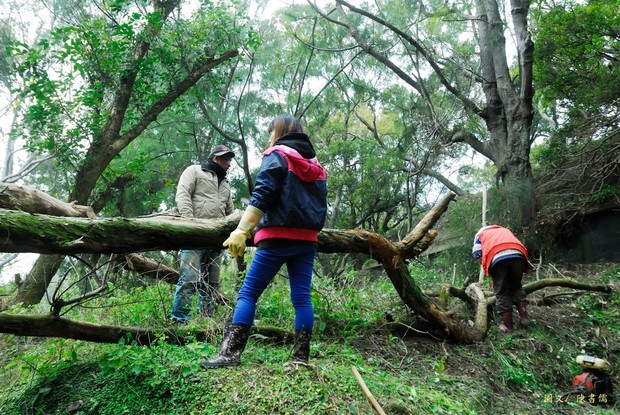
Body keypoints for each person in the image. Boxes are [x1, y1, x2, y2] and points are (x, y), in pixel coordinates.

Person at [202, 114, 327, 368]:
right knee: (302, 298)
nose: (270, 136)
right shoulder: (316, 165)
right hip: (307, 240)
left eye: (272, 131)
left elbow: (263, 194)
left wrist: (241, 230)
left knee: (248, 293)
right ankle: (300, 357)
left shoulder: (277, 154)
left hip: (276, 237)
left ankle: (230, 354)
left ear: (279, 131)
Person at [170, 144, 236, 325]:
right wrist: (190, 224)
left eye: (230, 159)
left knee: (211, 284)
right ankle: (179, 322)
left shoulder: (225, 183)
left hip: (216, 240)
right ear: (216, 158)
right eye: (226, 159)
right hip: (194, 236)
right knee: (189, 280)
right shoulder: (194, 171)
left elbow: (229, 211)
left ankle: (205, 322)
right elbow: (182, 194)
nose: (229, 163)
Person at [472, 225, 531, 333]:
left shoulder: (480, 235)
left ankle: (508, 327)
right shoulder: (503, 230)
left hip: (498, 257)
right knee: (516, 287)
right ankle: (524, 318)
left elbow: (477, 253)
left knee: (502, 293)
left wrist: (485, 264)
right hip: (518, 254)